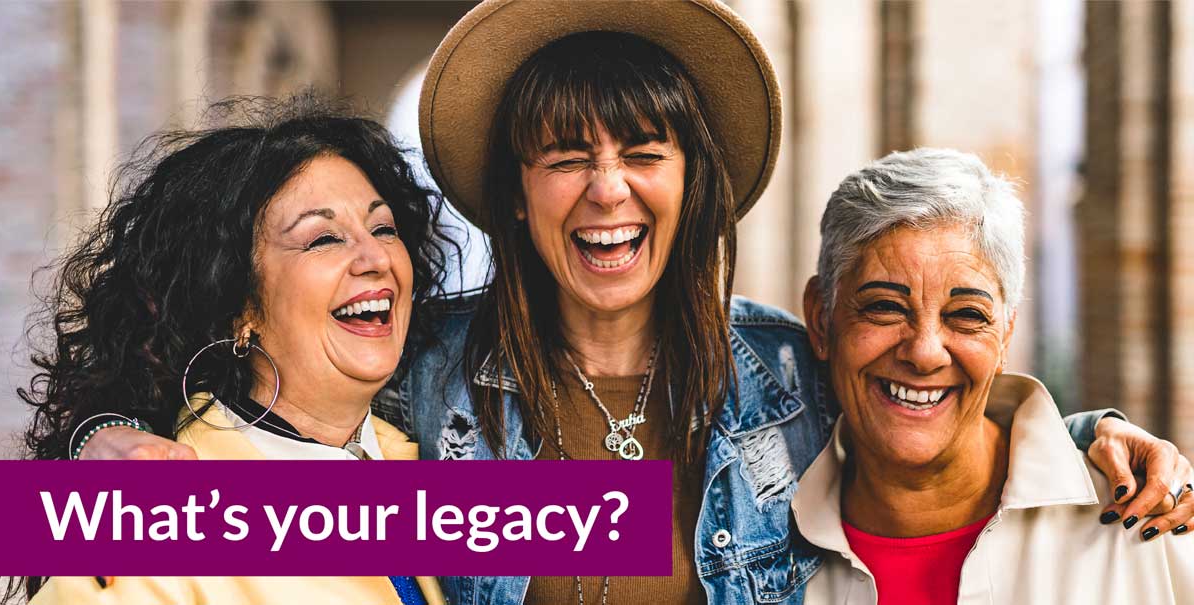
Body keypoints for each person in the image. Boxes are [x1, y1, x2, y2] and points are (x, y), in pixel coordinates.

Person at [73, 2, 1194, 604]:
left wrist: (1093, 438)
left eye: (644, 151)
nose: (607, 189)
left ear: (691, 181)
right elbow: (261, 440)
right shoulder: (423, 369)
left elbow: (931, 412)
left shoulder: (787, 373)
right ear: (517, 192)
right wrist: (99, 445)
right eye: (566, 155)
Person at [19, 96, 446, 604]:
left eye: (383, 228)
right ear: (237, 307)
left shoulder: (421, 461)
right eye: (323, 239)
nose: (375, 257)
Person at [794, 148, 1192, 604]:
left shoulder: (1146, 529)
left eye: (967, 314)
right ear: (822, 320)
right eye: (884, 306)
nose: (924, 353)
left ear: (1005, 334)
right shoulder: (755, 550)